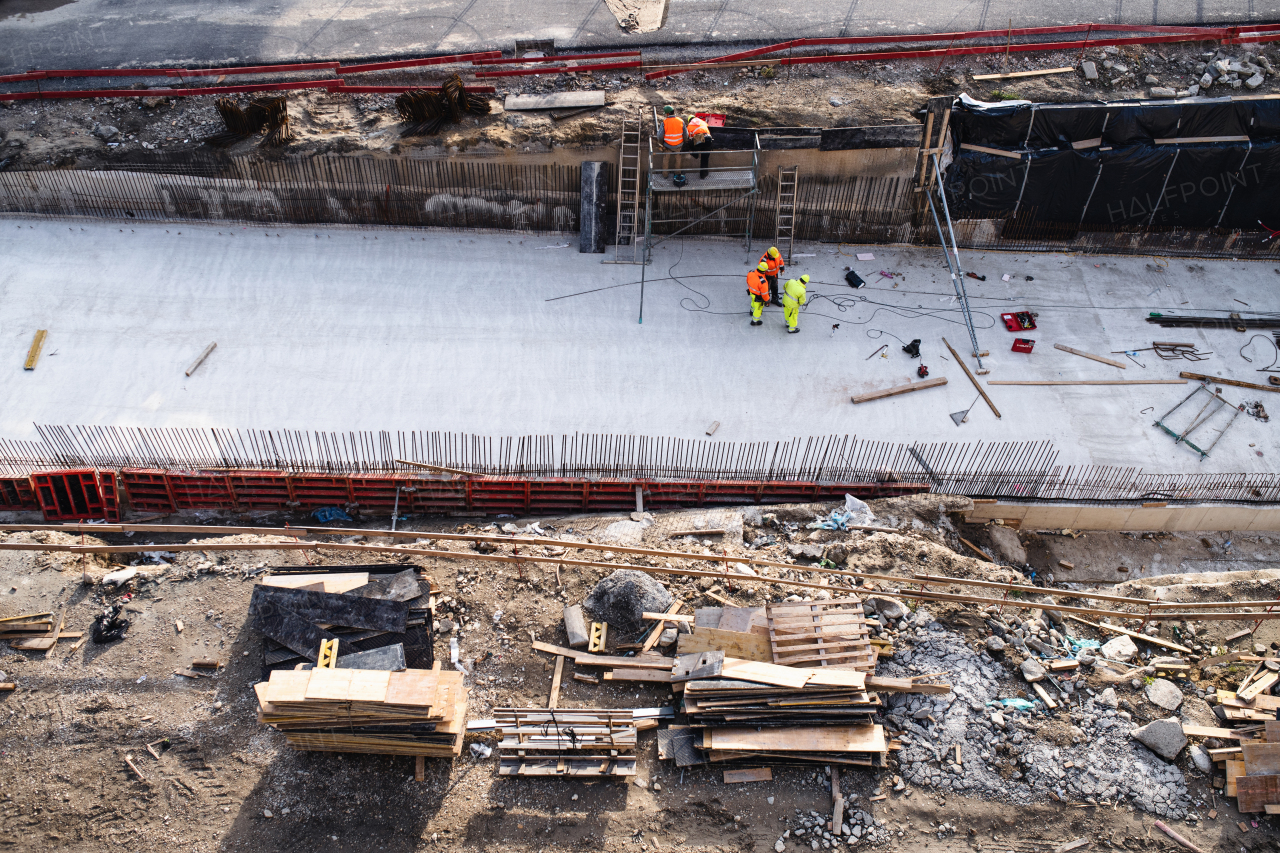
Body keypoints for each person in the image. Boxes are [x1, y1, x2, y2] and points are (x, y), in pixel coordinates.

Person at [660, 106, 686, 180]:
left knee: (666, 159)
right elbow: (685, 134)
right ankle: (677, 173)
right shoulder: (680, 121)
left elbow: (660, 135)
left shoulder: (665, 122)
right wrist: (684, 141)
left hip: (667, 145)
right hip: (678, 145)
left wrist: (661, 143)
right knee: (678, 159)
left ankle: (665, 175)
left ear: (668, 114)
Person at [685, 113, 712, 179]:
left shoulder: (689, 127)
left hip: (698, 143)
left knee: (690, 142)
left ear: (689, 121)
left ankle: (695, 154)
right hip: (707, 140)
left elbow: (689, 138)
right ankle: (703, 175)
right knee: (705, 159)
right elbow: (706, 127)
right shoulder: (703, 122)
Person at [747, 262, 771, 327]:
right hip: (758, 296)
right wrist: (767, 300)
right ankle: (755, 321)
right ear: (764, 271)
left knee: (753, 303)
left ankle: (751, 311)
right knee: (758, 309)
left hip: (751, 293)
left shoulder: (751, 272)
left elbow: (748, 281)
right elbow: (765, 293)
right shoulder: (763, 282)